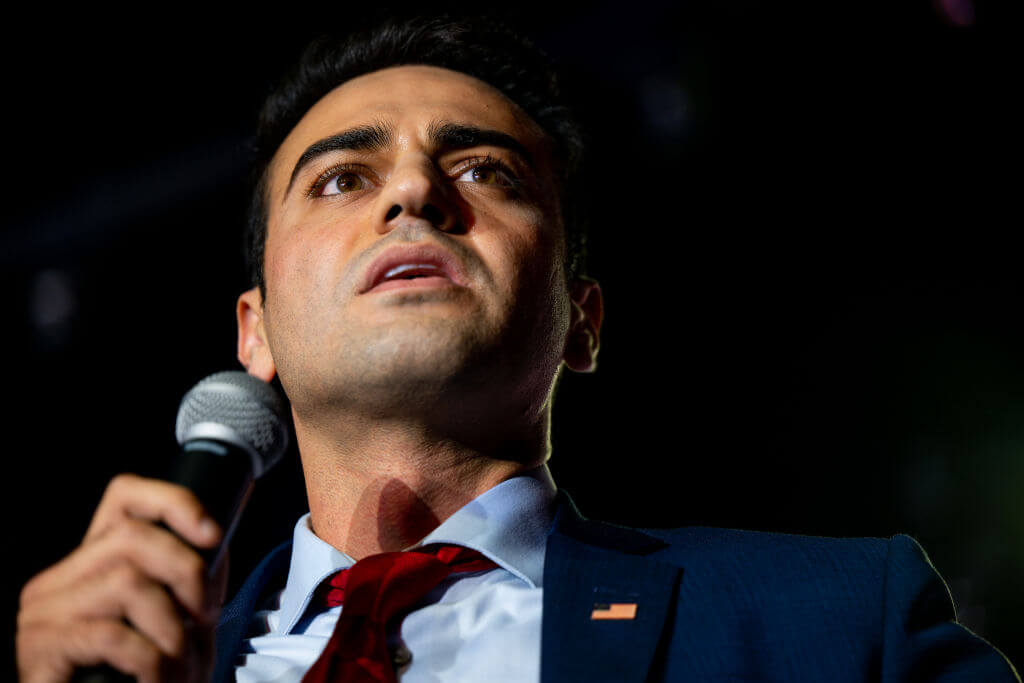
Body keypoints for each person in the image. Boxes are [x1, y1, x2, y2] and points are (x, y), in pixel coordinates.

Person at [15, 13, 1019, 683]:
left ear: (582, 318)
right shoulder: (115, 662)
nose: (414, 193)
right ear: (255, 330)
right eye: (338, 181)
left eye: (484, 170)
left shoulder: (841, 624)